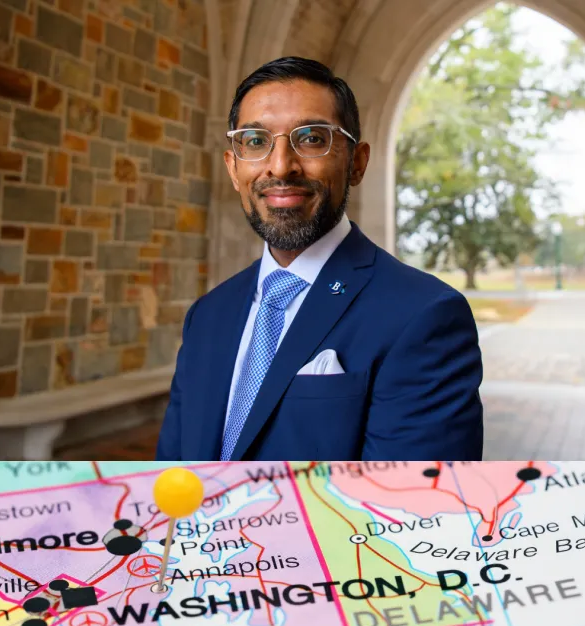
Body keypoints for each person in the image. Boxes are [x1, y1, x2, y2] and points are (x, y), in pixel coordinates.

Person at [156, 56, 483, 462]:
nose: (280, 167)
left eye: (311, 138)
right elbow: (169, 480)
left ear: (357, 163)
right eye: (256, 141)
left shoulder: (424, 316)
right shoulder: (207, 316)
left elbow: (413, 515)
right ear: (233, 167)